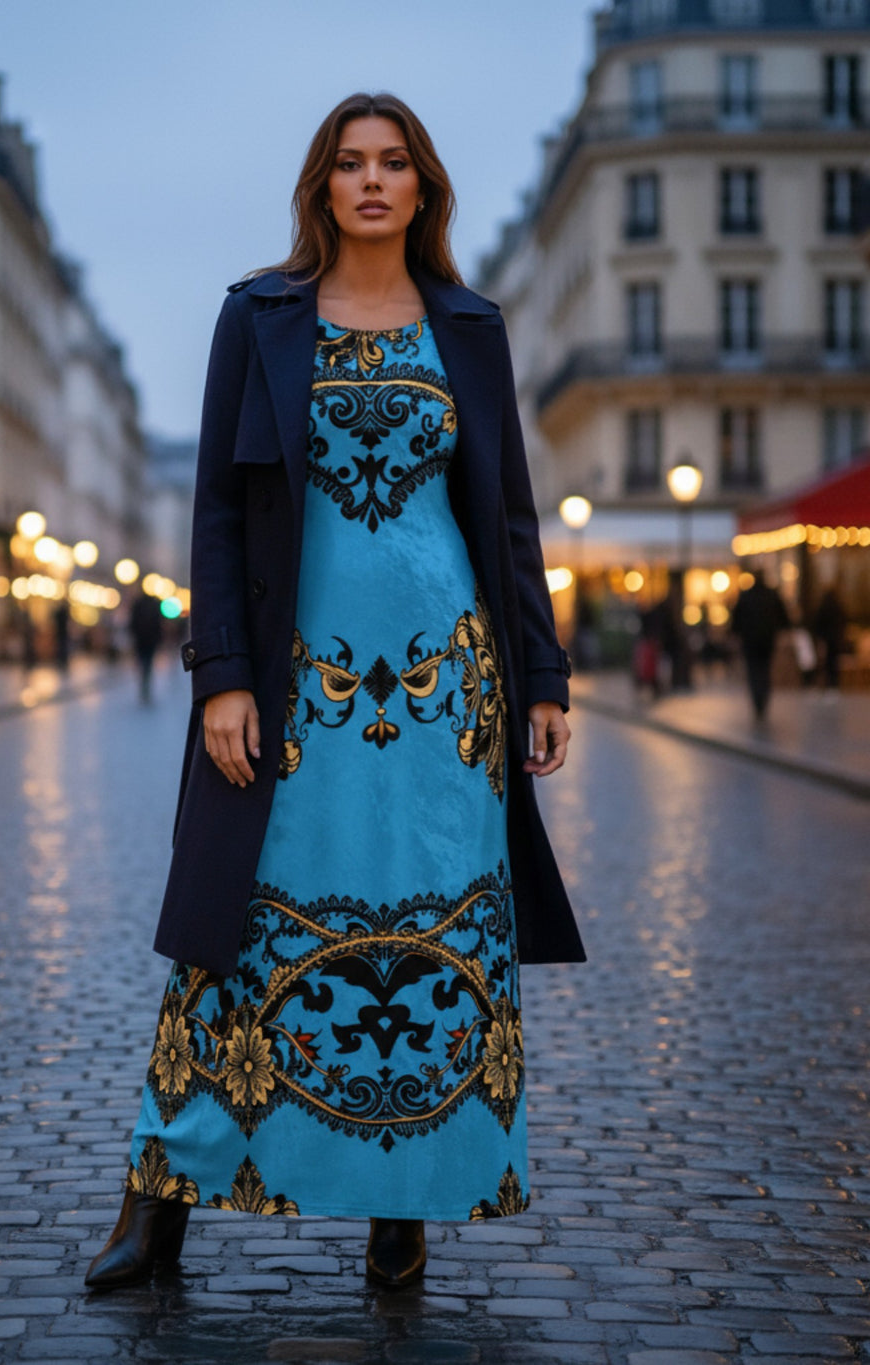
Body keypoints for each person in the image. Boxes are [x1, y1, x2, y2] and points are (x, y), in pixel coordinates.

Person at [84, 92, 584, 1294]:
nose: (371, 182)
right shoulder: (257, 316)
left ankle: (402, 1210)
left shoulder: (470, 326)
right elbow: (212, 506)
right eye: (349, 164)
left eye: (393, 163)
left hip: (439, 692)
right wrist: (221, 676)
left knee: (431, 923)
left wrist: (544, 675)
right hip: (294, 683)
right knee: (235, 931)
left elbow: (508, 518)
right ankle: (158, 1204)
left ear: (422, 187)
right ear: (320, 187)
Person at [730, 569, 790, 720]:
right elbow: (784, 617)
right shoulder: (771, 595)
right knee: (765, 669)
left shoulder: (746, 596)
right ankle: (762, 699)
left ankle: (758, 700)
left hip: (750, 641)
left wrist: (735, 634)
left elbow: (736, 620)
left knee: (753, 671)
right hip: (767, 640)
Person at [129, 589, 164, 704]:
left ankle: (143, 685)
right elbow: (158, 623)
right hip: (150, 640)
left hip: (140, 640)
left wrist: (133, 635)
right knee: (148, 663)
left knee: (143, 661)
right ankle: (145, 685)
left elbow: (132, 622)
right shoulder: (154, 605)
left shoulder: (137, 605)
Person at [812, 586, 847, 695]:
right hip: (835, 639)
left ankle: (826, 686)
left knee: (826, 664)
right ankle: (833, 685)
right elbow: (844, 621)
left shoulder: (823, 606)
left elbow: (817, 623)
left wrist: (819, 637)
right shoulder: (838, 606)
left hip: (826, 640)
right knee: (833, 663)